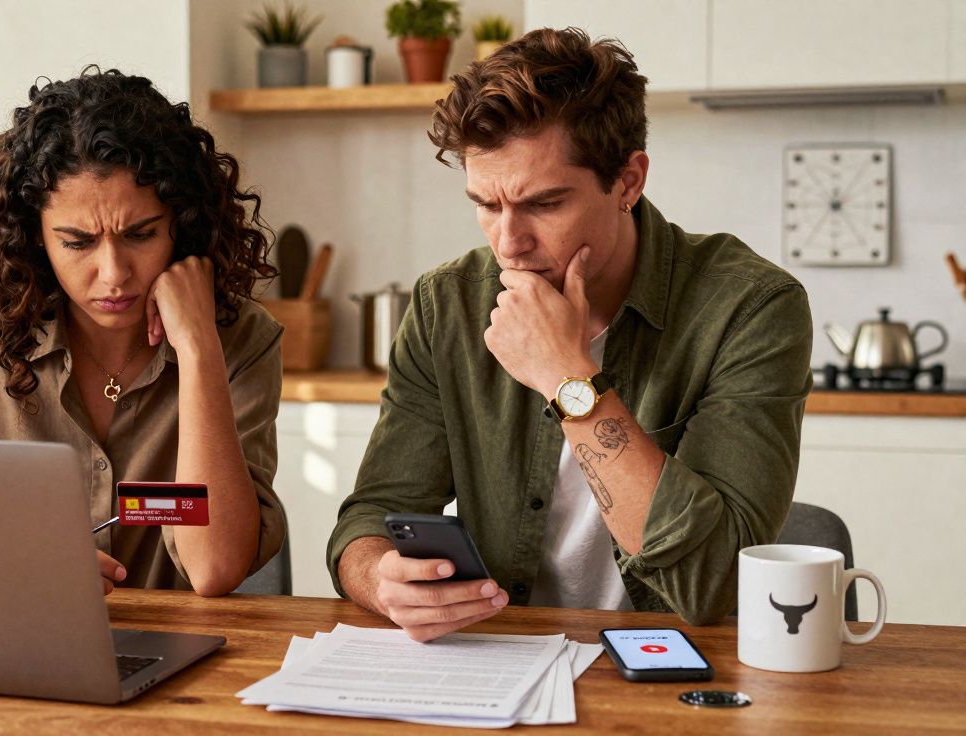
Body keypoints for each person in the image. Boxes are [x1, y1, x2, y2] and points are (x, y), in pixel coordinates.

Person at [328, 28, 812, 641]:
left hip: (675, 665)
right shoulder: (445, 306)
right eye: (486, 205)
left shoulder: (749, 307)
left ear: (628, 181)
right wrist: (381, 579)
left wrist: (566, 376)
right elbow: (371, 518)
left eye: (544, 204)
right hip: (501, 659)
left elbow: (711, 583)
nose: (509, 244)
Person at [0, 68, 286, 598]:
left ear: (182, 225)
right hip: (4, 634)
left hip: (181, 644)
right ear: (34, 237)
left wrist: (197, 348)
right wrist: (10, 562)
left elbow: (215, 568)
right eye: (77, 242)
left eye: (141, 235)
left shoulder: (240, 338)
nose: (114, 274)